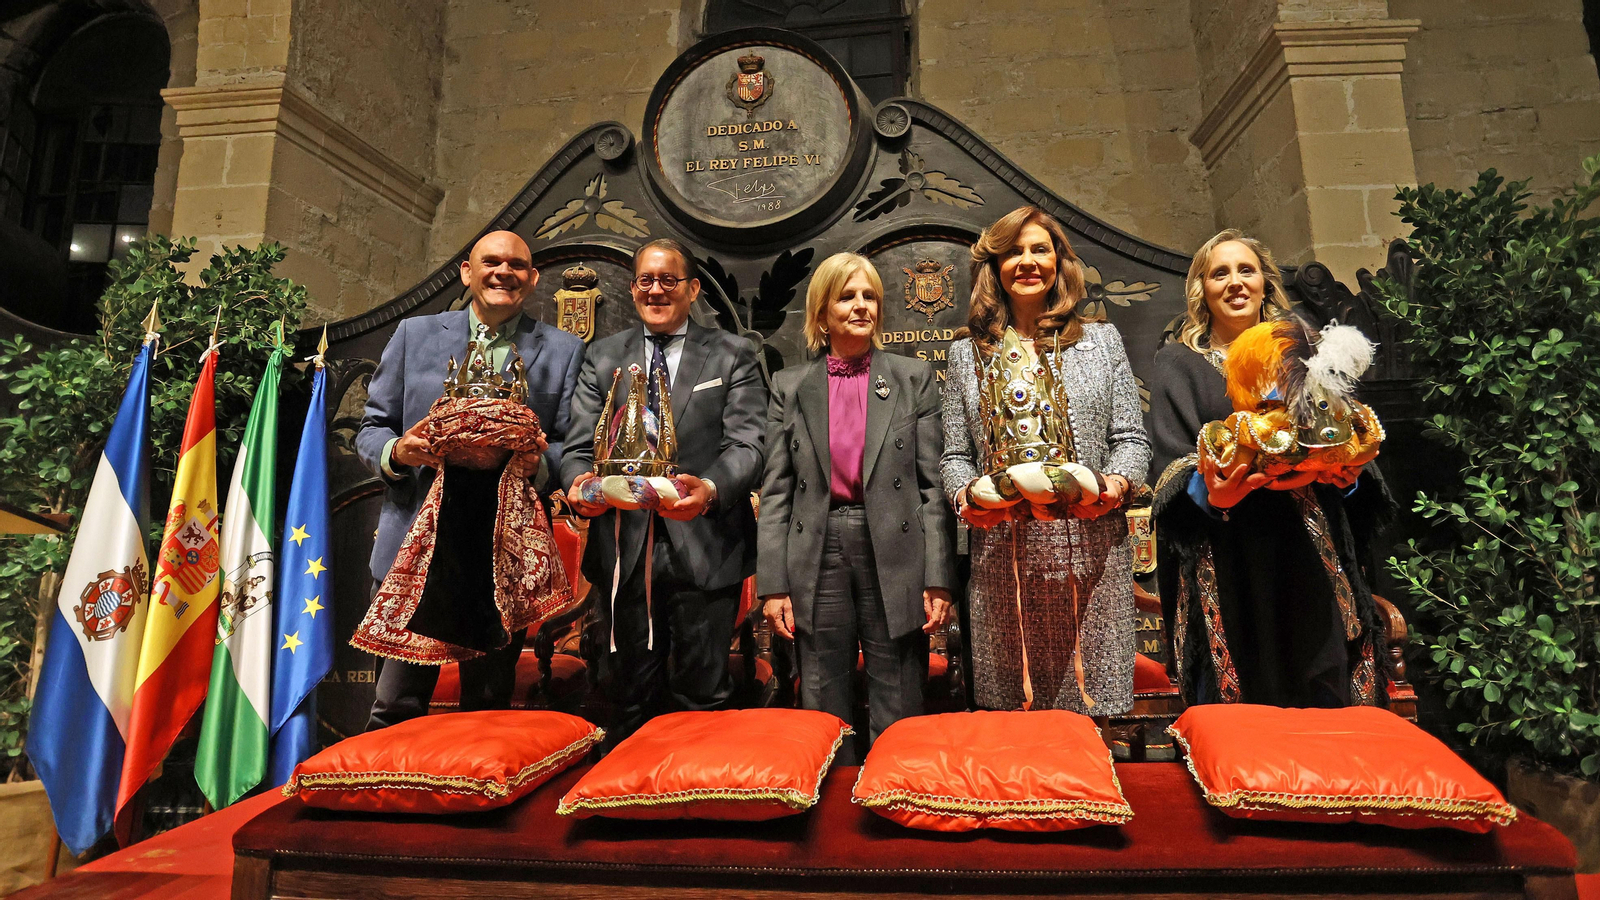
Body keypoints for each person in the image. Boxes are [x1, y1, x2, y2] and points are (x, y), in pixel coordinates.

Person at [1148, 228, 1393, 708]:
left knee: (1327, 689)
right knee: (1245, 702)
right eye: (1220, 273)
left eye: (1247, 270)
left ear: (1265, 283)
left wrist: (1347, 474)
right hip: (1229, 553)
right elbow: (1170, 465)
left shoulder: (1304, 351)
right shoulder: (1177, 363)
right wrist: (1214, 493)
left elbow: (1345, 434)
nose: (1235, 282)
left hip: (1312, 544)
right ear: (1202, 289)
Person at [357, 230, 586, 730]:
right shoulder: (415, 335)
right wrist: (397, 451)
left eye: (517, 265)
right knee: (395, 706)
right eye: (492, 262)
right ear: (467, 271)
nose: (504, 272)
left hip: (502, 551)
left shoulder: (564, 350)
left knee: (485, 714)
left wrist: (540, 468)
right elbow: (372, 427)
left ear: (532, 278)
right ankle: (386, 805)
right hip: (416, 547)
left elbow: (572, 441)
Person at [940, 206, 1150, 715]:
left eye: (1040, 249)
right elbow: (954, 454)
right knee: (1015, 723)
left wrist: (1116, 486)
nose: (1027, 262)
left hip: (1094, 552)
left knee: (1094, 717)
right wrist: (967, 495)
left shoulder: (1101, 341)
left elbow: (1131, 438)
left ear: (1059, 261)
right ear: (995, 266)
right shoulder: (967, 354)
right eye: (1014, 252)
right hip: (1002, 560)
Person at [562, 238, 767, 750]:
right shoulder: (603, 355)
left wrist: (712, 487)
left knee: (703, 697)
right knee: (624, 696)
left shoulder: (733, 352)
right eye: (645, 280)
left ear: (692, 289)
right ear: (633, 289)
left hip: (704, 548)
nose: (656, 290)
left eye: (668, 280)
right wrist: (578, 482)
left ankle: (697, 816)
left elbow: (749, 444)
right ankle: (622, 816)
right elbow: (577, 445)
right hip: (620, 554)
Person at [757, 252, 955, 764]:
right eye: (847, 296)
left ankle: (898, 800)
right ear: (822, 312)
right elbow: (777, 491)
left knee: (899, 687)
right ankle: (832, 820)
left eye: (870, 296)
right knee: (822, 689)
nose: (861, 306)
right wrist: (774, 586)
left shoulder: (914, 379)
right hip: (817, 547)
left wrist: (938, 578)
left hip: (894, 544)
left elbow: (932, 487)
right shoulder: (791, 386)